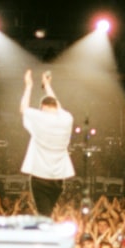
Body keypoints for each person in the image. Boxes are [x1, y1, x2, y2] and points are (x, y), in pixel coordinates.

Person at [19, 69, 74, 217]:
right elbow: (57, 105)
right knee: (47, 214)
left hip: (40, 177)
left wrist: (29, 85)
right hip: (58, 179)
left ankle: (46, 237)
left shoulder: (40, 119)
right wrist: (47, 85)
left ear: (42, 108)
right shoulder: (67, 119)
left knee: (44, 216)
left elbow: (23, 109)